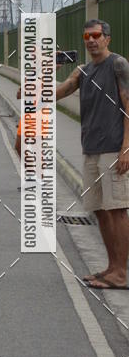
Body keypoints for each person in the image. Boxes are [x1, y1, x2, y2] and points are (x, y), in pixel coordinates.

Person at [56, 20, 129, 289]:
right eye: (87, 36)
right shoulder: (83, 71)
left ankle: (121, 272)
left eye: (96, 35)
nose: (91, 40)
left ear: (107, 39)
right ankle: (111, 268)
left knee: (117, 210)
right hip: (91, 149)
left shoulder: (118, 65)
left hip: (113, 149)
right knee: (99, 210)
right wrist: (33, 90)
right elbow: (60, 92)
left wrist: (126, 148)